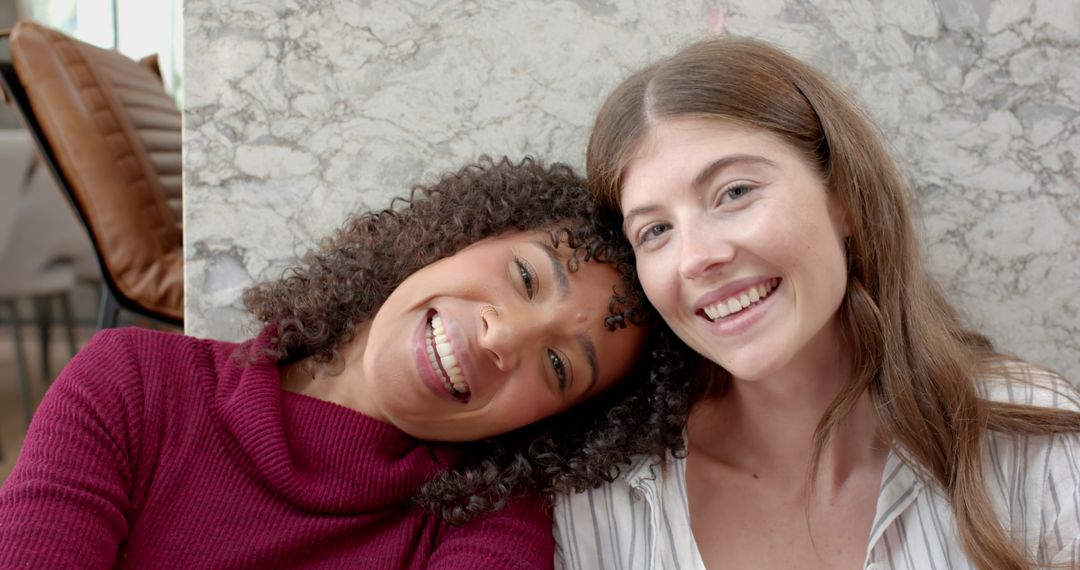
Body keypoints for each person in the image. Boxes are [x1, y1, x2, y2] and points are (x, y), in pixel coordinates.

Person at [0, 157, 692, 569]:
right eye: (525, 277)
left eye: (560, 367)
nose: (500, 337)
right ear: (456, 238)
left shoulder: (492, 519)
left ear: (551, 423)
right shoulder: (134, 382)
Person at [554, 37, 1080, 570]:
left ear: (845, 198)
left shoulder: (1026, 439)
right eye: (656, 230)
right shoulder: (605, 497)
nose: (697, 258)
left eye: (734, 192)